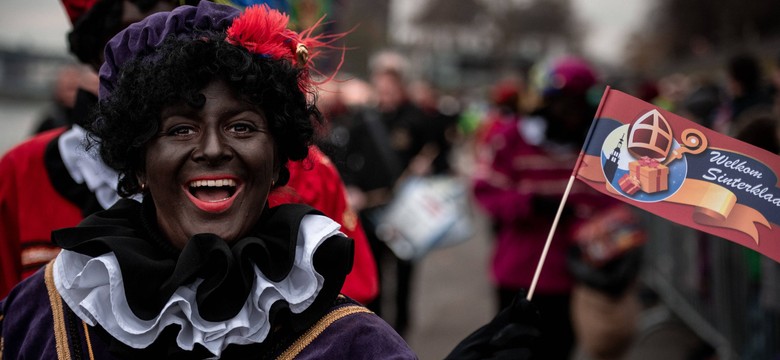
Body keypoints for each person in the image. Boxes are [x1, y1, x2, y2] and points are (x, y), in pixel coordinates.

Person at [0, 3, 411, 358]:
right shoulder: (38, 315)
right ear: (139, 163)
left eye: (242, 127)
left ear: (275, 161)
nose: (212, 149)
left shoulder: (358, 343)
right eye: (180, 129)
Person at [471, 56, 611, 359]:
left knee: (559, 350)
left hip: (571, 277)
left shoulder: (598, 149)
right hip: (519, 273)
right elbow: (485, 191)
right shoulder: (510, 138)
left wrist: (590, 225)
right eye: (563, 106)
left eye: (577, 107)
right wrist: (529, 203)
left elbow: (606, 205)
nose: (570, 116)